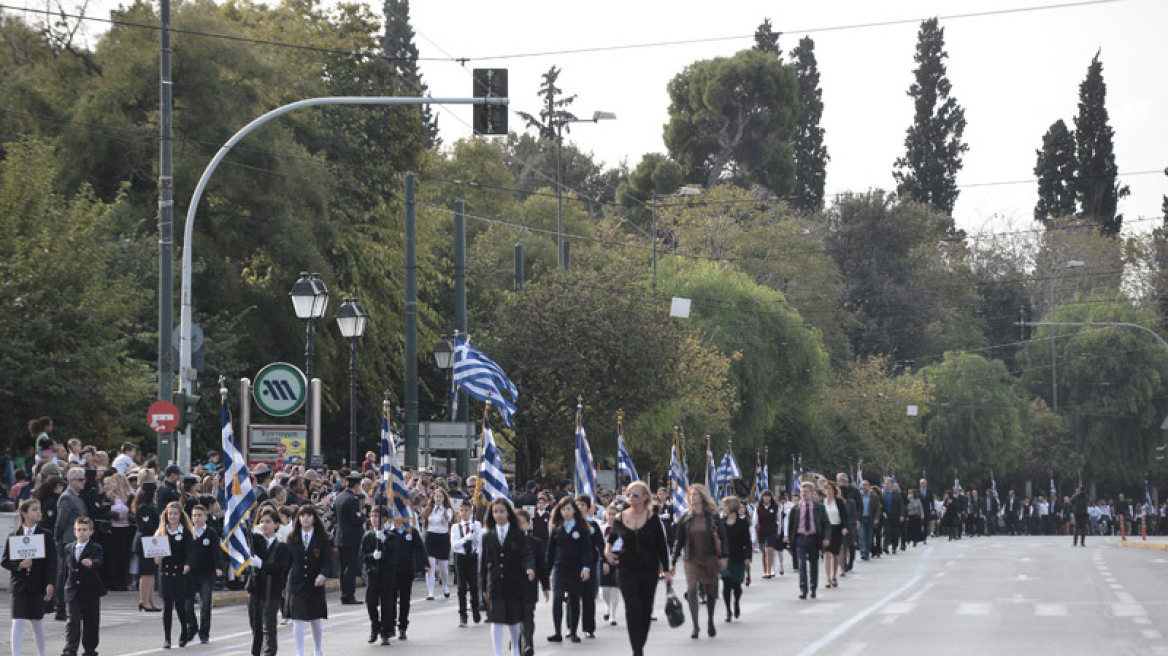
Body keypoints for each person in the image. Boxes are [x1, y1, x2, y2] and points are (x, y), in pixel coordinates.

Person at [605, 481, 671, 656]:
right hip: (626, 570)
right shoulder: (620, 517)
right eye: (629, 494)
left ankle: (639, 644)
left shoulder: (653, 519)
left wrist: (667, 568)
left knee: (645, 609)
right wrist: (607, 552)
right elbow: (611, 539)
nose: (631, 498)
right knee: (632, 607)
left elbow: (661, 546)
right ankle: (637, 651)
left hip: (649, 570)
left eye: (636, 494)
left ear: (645, 498)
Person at [670, 484, 726, 639]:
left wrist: (724, 556)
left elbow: (723, 536)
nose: (692, 497)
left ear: (701, 497)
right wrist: (672, 561)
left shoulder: (712, 516)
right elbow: (678, 541)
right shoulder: (685, 517)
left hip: (709, 557)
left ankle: (710, 620)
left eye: (695, 494)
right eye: (690, 495)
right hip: (691, 559)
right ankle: (695, 626)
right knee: (692, 589)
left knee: (710, 592)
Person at [3, 499, 57, 656]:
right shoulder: (14, 535)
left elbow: (51, 562)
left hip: (38, 584)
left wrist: (51, 583)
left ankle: (42, 653)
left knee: (37, 622)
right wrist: (20, 565)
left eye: (39, 509)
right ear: (24, 513)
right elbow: (5, 561)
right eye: (34, 509)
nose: (39, 512)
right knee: (17, 621)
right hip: (19, 585)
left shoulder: (46, 535)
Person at [480, 499, 535, 656]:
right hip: (495, 583)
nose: (498, 515)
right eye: (495, 511)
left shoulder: (517, 534)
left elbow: (526, 554)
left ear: (508, 513)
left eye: (502, 511)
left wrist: (529, 568)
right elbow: (484, 564)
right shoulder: (488, 536)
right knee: (496, 619)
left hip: (514, 582)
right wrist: (483, 586)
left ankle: (515, 650)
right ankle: (498, 653)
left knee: (513, 618)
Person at [545, 497, 593, 643]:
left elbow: (587, 550)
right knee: (557, 598)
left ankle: (573, 632)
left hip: (576, 570)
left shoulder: (581, 528)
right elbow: (550, 552)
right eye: (564, 509)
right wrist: (545, 572)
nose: (566, 512)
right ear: (560, 511)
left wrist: (586, 567)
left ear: (574, 511)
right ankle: (557, 632)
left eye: (569, 509)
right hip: (559, 569)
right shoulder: (556, 529)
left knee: (574, 600)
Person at [287, 504, 331, 656]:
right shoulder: (292, 538)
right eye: (302, 515)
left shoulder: (322, 538)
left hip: (314, 582)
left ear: (314, 518)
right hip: (297, 582)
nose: (305, 518)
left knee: (315, 618)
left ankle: (317, 650)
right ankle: (299, 653)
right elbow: (287, 562)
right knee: (297, 618)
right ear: (298, 518)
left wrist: (323, 574)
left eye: (309, 515)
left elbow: (327, 561)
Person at [247, 509, 290, 656]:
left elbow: (280, 569)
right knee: (256, 627)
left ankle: (269, 653)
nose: (264, 525)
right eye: (261, 522)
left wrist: (262, 565)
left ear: (276, 524)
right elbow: (245, 535)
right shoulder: (257, 542)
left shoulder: (282, 547)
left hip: (272, 592)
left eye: (268, 522)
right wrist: (243, 518)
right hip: (256, 590)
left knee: (269, 628)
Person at [61, 517, 106, 656]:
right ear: (74, 532)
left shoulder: (95, 547)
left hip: (90, 590)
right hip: (73, 590)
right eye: (79, 530)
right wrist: (62, 589)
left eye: (85, 530)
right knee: (72, 621)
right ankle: (70, 648)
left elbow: (100, 561)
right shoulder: (68, 548)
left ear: (91, 532)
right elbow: (65, 571)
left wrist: (92, 562)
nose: (81, 532)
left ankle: (90, 649)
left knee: (91, 620)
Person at [155, 501, 193, 648]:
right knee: (167, 606)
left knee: (180, 606)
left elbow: (190, 551)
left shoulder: (185, 533)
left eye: (175, 514)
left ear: (180, 515)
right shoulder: (161, 532)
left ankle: (184, 632)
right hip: (166, 572)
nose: (172, 516)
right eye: (170, 513)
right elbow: (156, 552)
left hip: (180, 572)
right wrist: (157, 559)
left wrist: (188, 564)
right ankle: (167, 639)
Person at [359, 505, 399, 645]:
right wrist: (372, 556)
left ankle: (385, 631)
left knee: (387, 604)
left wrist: (384, 542)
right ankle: (374, 625)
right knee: (370, 602)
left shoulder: (391, 535)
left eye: (377, 516)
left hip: (387, 574)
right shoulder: (368, 535)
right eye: (372, 516)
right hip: (373, 573)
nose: (374, 519)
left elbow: (394, 555)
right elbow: (362, 556)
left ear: (384, 518)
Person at [184, 505, 223, 644]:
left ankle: (204, 633)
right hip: (190, 573)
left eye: (200, 515)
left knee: (205, 605)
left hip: (206, 574)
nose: (197, 518)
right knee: (187, 604)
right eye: (194, 515)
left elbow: (216, 551)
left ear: (205, 517)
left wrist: (218, 567)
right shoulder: (188, 532)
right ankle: (192, 627)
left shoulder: (211, 533)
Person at [53, 468, 88, 621]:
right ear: (71, 481)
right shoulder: (67, 497)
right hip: (68, 541)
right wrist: (57, 537)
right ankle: (60, 608)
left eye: (84, 479)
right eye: (80, 480)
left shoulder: (76, 497)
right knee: (65, 575)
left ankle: (71, 607)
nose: (83, 482)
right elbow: (60, 522)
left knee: (73, 575)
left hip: (76, 541)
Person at [516, 509, 549, 656]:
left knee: (528, 616)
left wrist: (546, 586)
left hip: (529, 585)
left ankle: (528, 644)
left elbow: (542, 567)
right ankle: (517, 641)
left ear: (529, 524)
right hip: (513, 587)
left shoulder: (536, 543)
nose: (519, 526)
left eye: (522, 523)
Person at [787, 481, 827, 600]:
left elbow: (826, 523)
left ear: (812, 493)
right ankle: (803, 589)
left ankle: (813, 587)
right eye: (802, 491)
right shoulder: (795, 508)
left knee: (813, 564)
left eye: (806, 491)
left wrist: (826, 538)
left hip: (814, 538)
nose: (804, 494)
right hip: (800, 538)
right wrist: (790, 543)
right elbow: (790, 527)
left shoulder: (819, 507)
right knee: (802, 563)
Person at [389, 517, 428, 640]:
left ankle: (403, 627)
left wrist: (425, 564)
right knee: (391, 599)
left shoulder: (411, 531)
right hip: (391, 571)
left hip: (407, 570)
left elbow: (419, 548)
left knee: (405, 600)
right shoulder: (389, 532)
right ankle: (391, 624)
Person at [333, 473, 365, 605]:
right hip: (351, 538)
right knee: (350, 568)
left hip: (341, 536)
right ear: (357, 485)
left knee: (343, 567)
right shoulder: (353, 499)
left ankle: (344, 593)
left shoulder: (340, 497)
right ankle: (348, 594)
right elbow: (356, 519)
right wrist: (363, 515)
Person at [719, 496, 751, 622]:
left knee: (736, 586)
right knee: (726, 582)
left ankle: (736, 602)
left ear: (732, 506)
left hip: (738, 557)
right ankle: (728, 611)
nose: (723, 508)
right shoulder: (720, 522)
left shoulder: (742, 524)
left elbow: (747, 543)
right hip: (724, 558)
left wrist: (748, 557)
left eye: (725, 505)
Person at [450, 501, 482, 627]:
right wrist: (465, 538)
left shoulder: (476, 524)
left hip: (472, 557)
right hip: (461, 557)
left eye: (466, 510)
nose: (464, 513)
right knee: (461, 587)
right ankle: (462, 615)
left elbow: (480, 543)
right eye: (461, 510)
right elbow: (454, 545)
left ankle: (475, 609)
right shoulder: (455, 527)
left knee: (474, 586)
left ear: (471, 511)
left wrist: (474, 542)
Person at [132, 481, 161, 612]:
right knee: (146, 573)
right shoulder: (144, 508)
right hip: (146, 541)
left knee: (152, 573)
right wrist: (159, 530)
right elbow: (146, 526)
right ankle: (144, 601)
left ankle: (150, 601)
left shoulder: (149, 506)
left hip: (151, 541)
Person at [420, 487, 454, 600]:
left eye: (440, 496)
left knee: (443, 567)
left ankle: (445, 586)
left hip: (443, 538)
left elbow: (448, 520)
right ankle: (431, 592)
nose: (438, 498)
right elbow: (425, 524)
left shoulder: (447, 510)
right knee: (430, 566)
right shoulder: (429, 509)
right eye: (436, 496)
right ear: (433, 498)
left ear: (444, 498)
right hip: (431, 537)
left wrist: (445, 517)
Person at [820, 482, 848, 589]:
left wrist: (845, 527)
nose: (828, 491)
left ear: (834, 490)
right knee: (826, 553)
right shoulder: (822, 502)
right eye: (826, 489)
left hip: (836, 529)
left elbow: (844, 516)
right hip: (825, 530)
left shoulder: (839, 502)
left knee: (834, 554)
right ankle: (827, 578)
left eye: (830, 489)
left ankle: (834, 576)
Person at [598, 504, 620, 626]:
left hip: (618, 556)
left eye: (614, 514)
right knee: (604, 588)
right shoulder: (601, 529)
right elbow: (599, 544)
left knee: (615, 587)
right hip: (604, 556)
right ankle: (607, 606)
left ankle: (613, 615)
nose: (611, 517)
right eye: (609, 514)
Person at [752, 490, 781, 578]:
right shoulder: (758, 508)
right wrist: (753, 535)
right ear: (762, 498)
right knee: (764, 552)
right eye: (765, 496)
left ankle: (769, 571)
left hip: (772, 532)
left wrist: (779, 531)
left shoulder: (775, 507)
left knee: (769, 550)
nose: (767, 498)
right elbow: (754, 522)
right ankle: (765, 570)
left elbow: (779, 520)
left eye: (768, 496)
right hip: (762, 532)